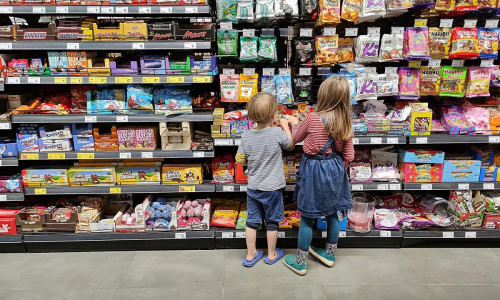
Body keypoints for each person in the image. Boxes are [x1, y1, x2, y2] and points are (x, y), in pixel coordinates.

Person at [280, 76, 355, 276]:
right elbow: (349, 155)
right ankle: (329, 254)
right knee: (333, 213)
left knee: (307, 216)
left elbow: (294, 139)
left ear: (323, 96)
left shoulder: (313, 117)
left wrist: (293, 122)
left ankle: (300, 262)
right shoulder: (346, 120)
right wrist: (337, 169)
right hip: (335, 168)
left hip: (313, 169)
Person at [236, 92, 294, 267]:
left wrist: (251, 160)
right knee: (272, 222)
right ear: (273, 115)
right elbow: (290, 145)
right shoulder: (277, 133)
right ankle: (271, 253)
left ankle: (251, 255)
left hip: (254, 186)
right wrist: (285, 126)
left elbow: (240, 159)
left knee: (252, 221)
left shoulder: (246, 135)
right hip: (273, 188)